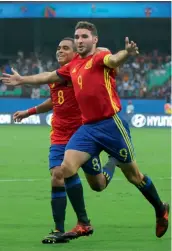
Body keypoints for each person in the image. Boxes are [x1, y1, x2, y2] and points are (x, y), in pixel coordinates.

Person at [1, 22, 169, 240]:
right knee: (67, 168)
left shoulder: (100, 57)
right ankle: (82, 223)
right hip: (88, 128)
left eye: (84, 36)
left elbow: (113, 59)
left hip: (111, 125)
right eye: (77, 36)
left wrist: (126, 54)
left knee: (134, 176)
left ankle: (160, 208)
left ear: (94, 40)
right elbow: (47, 76)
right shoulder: (73, 66)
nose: (80, 40)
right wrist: (22, 79)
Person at [11, 37, 117, 244]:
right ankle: (61, 229)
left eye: (65, 48)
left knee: (98, 184)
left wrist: (101, 50)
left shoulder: (83, 72)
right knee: (57, 174)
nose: (59, 51)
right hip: (59, 135)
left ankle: (113, 161)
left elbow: (103, 53)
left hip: (83, 136)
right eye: (58, 48)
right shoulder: (55, 76)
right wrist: (29, 111)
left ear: (76, 53)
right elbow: (54, 100)